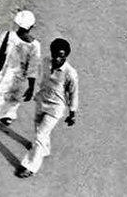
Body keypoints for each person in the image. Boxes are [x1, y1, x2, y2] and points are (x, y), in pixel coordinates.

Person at [0, 10, 41, 148]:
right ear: (31, 27)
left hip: (1, 78)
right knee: (11, 102)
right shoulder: (35, 46)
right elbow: (33, 68)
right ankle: (6, 117)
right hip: (19, 82)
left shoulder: (7, 36)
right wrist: (31, 87)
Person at [17, 38, 79, 178]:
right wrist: (31, 88)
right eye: (55, 54)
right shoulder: (45, 61)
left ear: (66, 56)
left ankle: (30, 166)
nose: (57, 58)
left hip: (56, 107)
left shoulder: (70, 73)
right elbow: (38, 75)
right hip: (42, 100)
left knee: (40, 135)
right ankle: (44, 150)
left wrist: (72, 113)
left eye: (61, 56)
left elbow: (73, 93)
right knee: (38, 128)